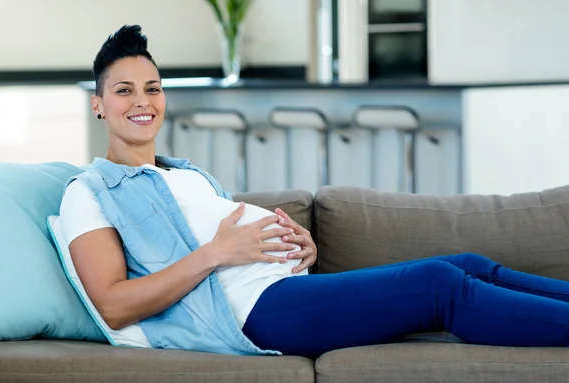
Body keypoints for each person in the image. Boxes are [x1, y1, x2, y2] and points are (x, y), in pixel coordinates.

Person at [61, 25, 569, 358]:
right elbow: (113, 304)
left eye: (152, 87)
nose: (143, 101)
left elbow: (234, 246)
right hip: (250, 317)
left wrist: (298, 251)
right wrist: (218, 254)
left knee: (468, 263)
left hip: (282, 291)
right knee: (437, 284)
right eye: (124, 90)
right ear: (99, 105)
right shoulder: (90, 191)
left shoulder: (186, 174)